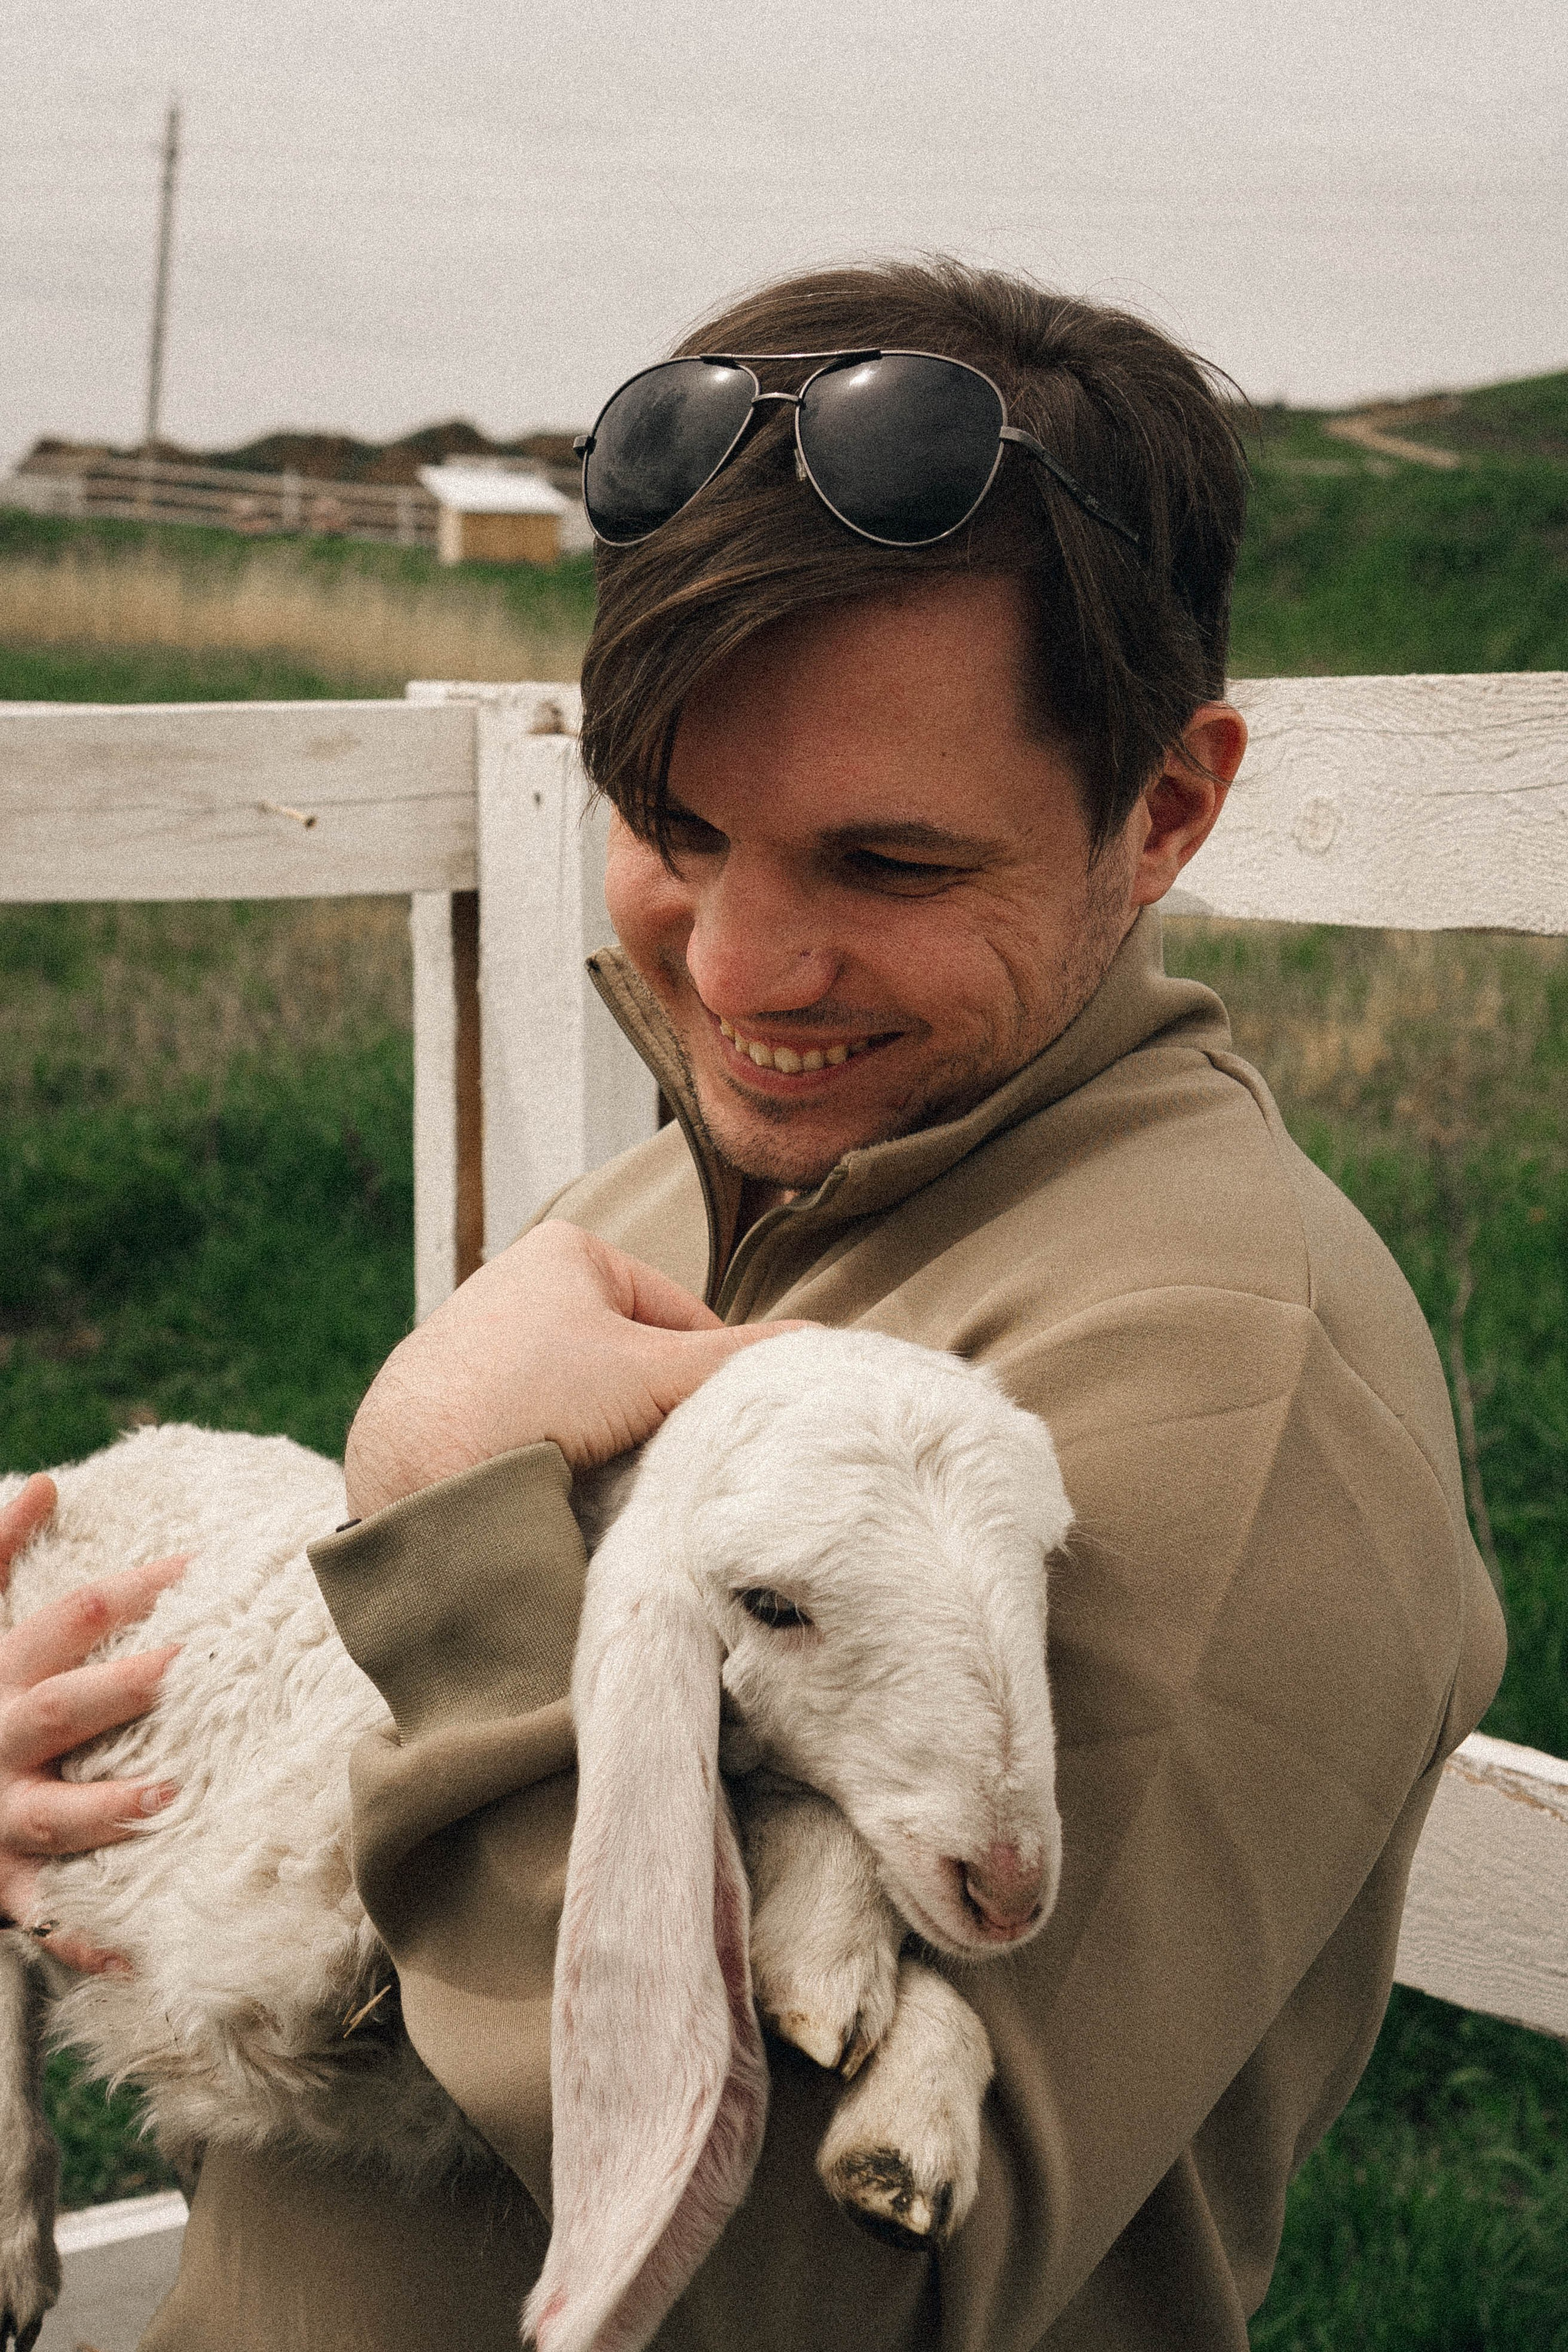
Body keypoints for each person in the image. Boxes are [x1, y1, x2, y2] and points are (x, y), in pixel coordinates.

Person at [0, 260, 1504, 2350]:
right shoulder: (691, 1191)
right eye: (675, 825)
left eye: (887, 867)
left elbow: (817, 2301)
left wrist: (450, 1511)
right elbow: (404, 1877)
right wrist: (104, 1794)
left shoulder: (1224, 1387)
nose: (732, 974)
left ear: (1165, 805)